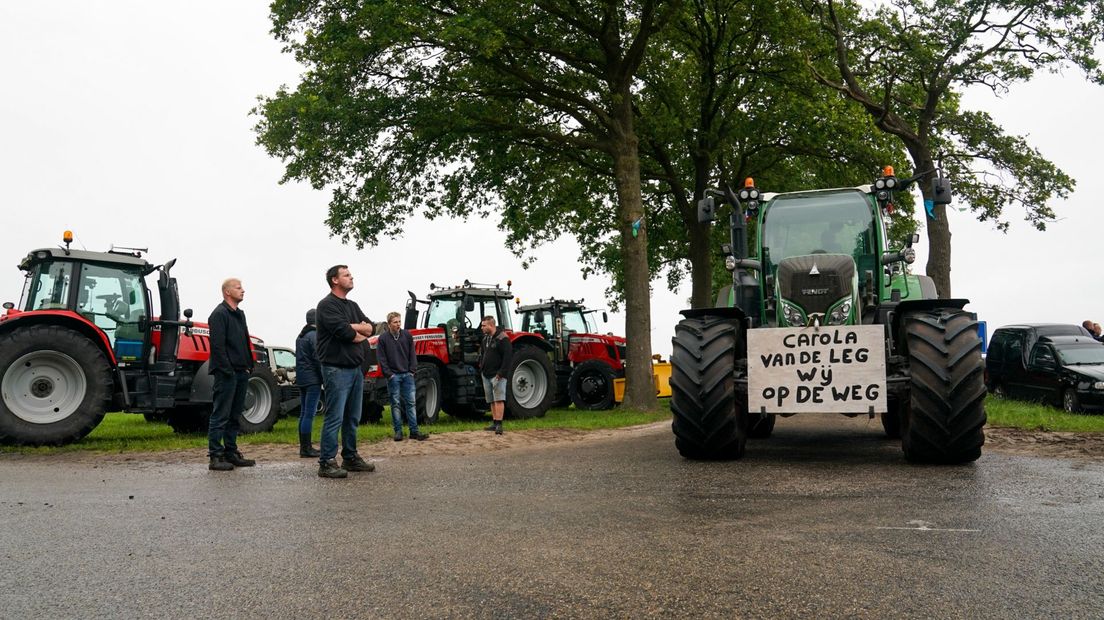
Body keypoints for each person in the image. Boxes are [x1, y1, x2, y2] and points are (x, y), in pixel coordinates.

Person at [315, 265, 377, 479]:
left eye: (351, 274)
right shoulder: (326, 306)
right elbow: (344, 332)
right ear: (335, 280)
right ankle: (327, 462)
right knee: (335, 416)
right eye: (346, 275)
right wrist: (357, 330)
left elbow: (372, 328)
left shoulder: (353, 305)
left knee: (352, 417)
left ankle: (350, 457)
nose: (351, 277)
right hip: (336, 369)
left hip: (355, 370)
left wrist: (357, 328)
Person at [206, 278, 256, 471]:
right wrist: (227, 371)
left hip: (241, 371)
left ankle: (231, 452)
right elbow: (217, 347)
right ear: (227, 292)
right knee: (221, 414)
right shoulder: (219, 314)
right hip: (227, 373)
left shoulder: (240, 315)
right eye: (238, 288)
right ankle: (215, 456)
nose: (243, 290)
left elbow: (244, 340)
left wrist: (249, 365)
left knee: (235, 415)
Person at [377, 311, 429, 442]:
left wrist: (412, 370)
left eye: (399, 321)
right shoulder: (383, 339)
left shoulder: (407, 335)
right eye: (395, 322)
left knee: (411, 403)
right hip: (393, 376)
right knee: (395, 404)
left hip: (407, 375)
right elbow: (381, 359)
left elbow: (412, 354)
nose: (398, 324)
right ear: (389, 324)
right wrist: (389, 375)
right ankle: (398, 432)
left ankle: (414, 431)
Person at [295, 308, 322, 458]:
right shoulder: (314, 336)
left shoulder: (301, 336)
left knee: (303, 413)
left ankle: (304, 447)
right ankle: (307, 448)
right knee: (309, 414)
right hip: (313, 379)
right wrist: (323, 377)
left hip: (302, 378)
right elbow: (318, 358)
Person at [478, 315, 512, 435]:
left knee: (499, 399)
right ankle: (494, 422)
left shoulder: (503, 338)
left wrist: (501, 373)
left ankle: (499, 424)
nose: (481, 327)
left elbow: (507, 358)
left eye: (484, 325)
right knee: (491, 400)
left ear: (491, 325)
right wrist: (481, 367)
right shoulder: (485, 339)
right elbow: (482, 354)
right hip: (486, 374)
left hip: (497, 375)